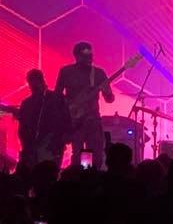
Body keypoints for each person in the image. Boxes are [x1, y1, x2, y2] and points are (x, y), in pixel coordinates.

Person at [55, 41, 115, 169]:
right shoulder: (66, 72)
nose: (89, 58)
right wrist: (68, 111)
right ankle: (79, 177)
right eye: (85, 55)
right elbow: (57, 97)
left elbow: (109, 99)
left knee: (95, 156)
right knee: (78, 156)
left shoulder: (98, 73)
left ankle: (89, 176)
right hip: (74, 121)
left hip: (93, 119)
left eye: (90, 55)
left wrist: (108, 92)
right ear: (76, 56)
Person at [17, 69, 71, 169]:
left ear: (41, 81)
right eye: (31, 84)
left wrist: (59, 140)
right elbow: (22, 129)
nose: (33, 87)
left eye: (34, 83)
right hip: (37, 148)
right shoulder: (27, 103)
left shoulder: (56, 99)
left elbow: (66, 121)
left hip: (51, 145)